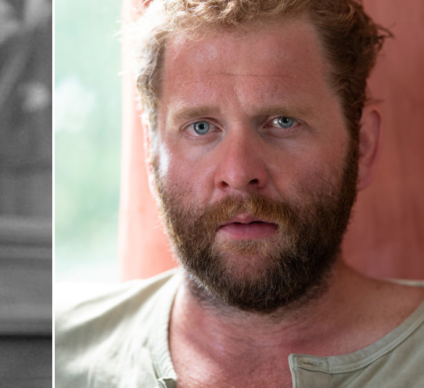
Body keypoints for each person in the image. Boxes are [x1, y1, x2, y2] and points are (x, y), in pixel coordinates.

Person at [55, 0, 424, 387]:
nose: (239, 173)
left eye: (283, 122)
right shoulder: (65, 354)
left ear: (362, 146)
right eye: (201, 127)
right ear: (151, 153)